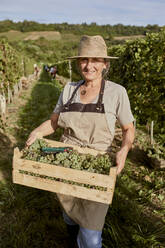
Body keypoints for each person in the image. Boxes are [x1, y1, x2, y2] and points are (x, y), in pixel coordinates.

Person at [26, 35, 135, 248]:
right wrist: (37, 133)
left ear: (105, 64)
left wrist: (124, 149)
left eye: (95, 60)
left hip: (96, 168)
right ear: (78, 63)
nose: (89, 65)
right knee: (69, 215)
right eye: (84, 60)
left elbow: (128, 129)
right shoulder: (68, 90)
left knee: (91, 237)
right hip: (67, 162)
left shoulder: (116, 93)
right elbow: (54, 123)